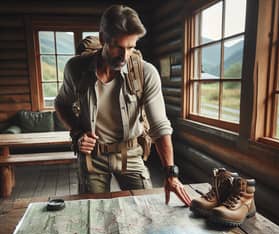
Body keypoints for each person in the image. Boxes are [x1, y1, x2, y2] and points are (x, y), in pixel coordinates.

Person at [55, 4, 191, 206]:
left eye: (131, 47)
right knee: (93, 215)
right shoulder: (76, 69)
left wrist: (171, 173)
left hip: (131, 153)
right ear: (103, 39)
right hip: (92, 157)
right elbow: (61, 104)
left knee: (146, 210)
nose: (124, 56)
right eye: (118, 46)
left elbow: (160, 126)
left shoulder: (146, 73)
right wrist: (77, 132)